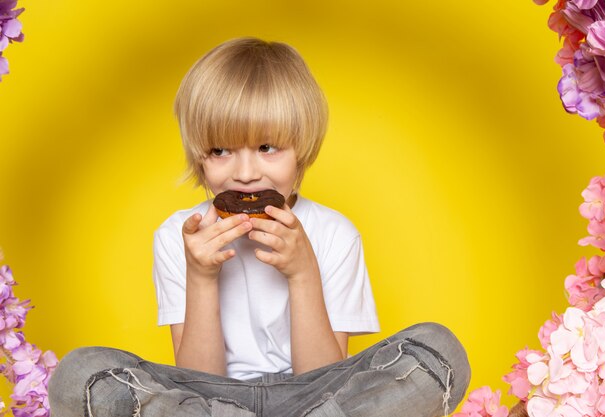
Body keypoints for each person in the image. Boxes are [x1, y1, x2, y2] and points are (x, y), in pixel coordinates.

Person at [48, 37, 471, 417]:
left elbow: (326, 380)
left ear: (301, 148)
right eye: (220, 150)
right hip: (212, 404)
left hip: (316, 400)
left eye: (267, 148)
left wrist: (303, 272)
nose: (246, 173)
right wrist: (201, 275)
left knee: (438, 350)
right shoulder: (180, 235)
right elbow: (197, 379)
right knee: (80, 372)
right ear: (199, 156)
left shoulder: (334, 233)